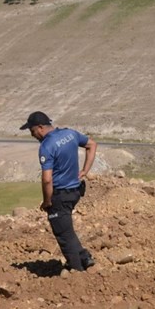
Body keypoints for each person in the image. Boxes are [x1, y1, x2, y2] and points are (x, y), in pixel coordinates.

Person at [20, 111, 97, 272]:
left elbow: (47, 179)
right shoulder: (70, 134)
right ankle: (85, 258)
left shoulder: (46, 146)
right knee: (67, 228)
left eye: (32, 131)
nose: (33, 135)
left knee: (63, 234)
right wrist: (85, 170)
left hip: (60, 194)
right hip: (75, 191)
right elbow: (92, 144)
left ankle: (77, 271)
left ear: (40, 127)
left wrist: (47, 201)